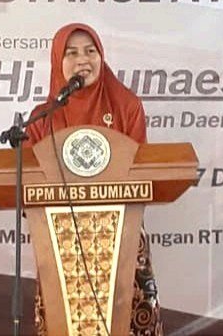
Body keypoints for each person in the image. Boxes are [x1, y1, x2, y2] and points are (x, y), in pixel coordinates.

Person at [26, 23, 163, 335]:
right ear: (57, 61)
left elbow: (141, 170)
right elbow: (27, 182)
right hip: (60, 241)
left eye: (90, 51)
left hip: (122, 236)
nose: (82, 60)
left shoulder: (127, 106)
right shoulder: (42, 118)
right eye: (71, 53)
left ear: (102, 57)